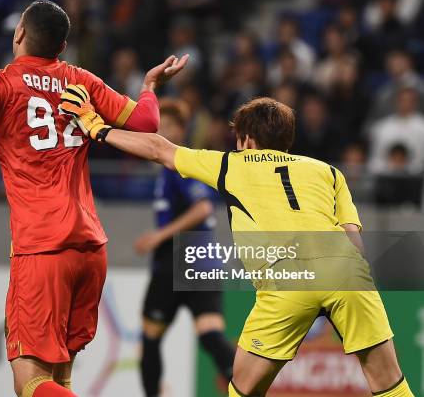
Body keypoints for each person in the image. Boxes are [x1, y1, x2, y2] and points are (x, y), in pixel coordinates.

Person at [0, 0, 188, 397]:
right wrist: (148, 89)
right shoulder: (81, 80)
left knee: (30, 380)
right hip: (90, 246)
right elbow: (146, 123)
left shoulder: (2, 82)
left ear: (20, 34)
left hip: (42, 247)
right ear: (61, 48)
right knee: (59, 374)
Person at [61, 93, 414, 397]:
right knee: (389, 384)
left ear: (245, 140)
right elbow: (355, 240)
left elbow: (159, 149)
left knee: (243, 389)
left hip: (285, 279)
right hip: (347, 273)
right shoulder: (328, 171)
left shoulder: (232, 164)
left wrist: (98, 128)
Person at [134, 99, 234, 396]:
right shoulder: (175, 166)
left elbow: (203, 208)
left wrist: (158, 236)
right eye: (158, 125)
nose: (161, 131)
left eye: (168, 125)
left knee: (150, 339)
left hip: (179, 258)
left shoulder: (182, 163)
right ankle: (245, 386)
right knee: (210, 333)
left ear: (182, 129)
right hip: (203, 260)